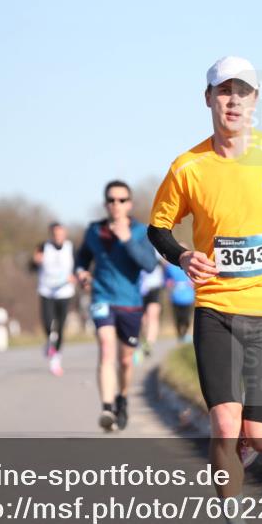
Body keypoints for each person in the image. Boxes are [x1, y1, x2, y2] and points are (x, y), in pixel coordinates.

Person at [147, 56, 262, 524]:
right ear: (208, 99)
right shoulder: (187, 167)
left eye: (243, 92)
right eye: (224, 91)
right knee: (224, 427)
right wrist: (181, 255)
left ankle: (235, 456)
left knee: (261, 439)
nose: (234, 100)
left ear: (256, 100)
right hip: (216, 310)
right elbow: (158, 226)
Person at [75, 181, 158, 432]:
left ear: (129, 204)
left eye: (122, 200)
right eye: (111, 200)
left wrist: (126, 240)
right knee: (106, 348)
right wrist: (81, 273)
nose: (116, 204)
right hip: (102, 299)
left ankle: (122, 397)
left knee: (125, 362)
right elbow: (81, 259)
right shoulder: (93, 231)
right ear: (105, 204)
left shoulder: (141, 232)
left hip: (130, 304)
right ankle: (107, 408)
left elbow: (149, 265)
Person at [32, 222, 76, 377]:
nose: (58, 237)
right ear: (51, 235)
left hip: (64, 292)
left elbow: (79, 267)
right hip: (47, 291)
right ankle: (49, 343)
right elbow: (31, 266)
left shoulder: (71, 248)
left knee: (60, 326)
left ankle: (55, 359)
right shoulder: (43, 247)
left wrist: (75, 276)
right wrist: (35, 261)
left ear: (65, 234)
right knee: (48, 323)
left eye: (60, 234)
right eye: (55, 234)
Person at [137, 256, 165, 360]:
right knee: (143, 319)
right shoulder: (136, 241)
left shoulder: (156, 242)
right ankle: (144, 340)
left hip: (154, 285)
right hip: (139, 286)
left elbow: (165, 260)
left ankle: (149, 343)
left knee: (153, 315)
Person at [164, 260, 195, 342]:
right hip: (175, 296)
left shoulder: (190, 265)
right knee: (177, 317)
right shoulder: (169, 267)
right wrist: (169, 283)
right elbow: (166, 280)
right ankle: (180, 335)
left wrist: (193, 283)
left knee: (186, 318)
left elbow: (195, 277)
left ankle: (184, 334)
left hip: (188, 296)